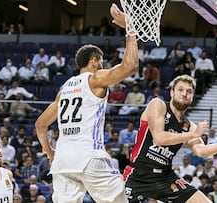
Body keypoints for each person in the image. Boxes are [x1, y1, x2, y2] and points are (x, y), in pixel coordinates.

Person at [35, 4, 139, 203]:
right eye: (101, 62)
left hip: (63, 162)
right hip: (89, 156)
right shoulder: (95, 78)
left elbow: (40, 125)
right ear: (93, 61)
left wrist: (49, 151)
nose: (102, 65)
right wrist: (130, 28)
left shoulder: (64, 90)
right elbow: (131, 66)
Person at [123, 75, 217, 203]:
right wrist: (193, 135)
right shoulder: (158, 104)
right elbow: (159, 138)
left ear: (192, 97)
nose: (185, 94)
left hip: (165, 177)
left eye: (189, 91)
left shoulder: (190, 127)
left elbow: (201, 151)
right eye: (180, 90)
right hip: (138, 174)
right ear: (172, 92)